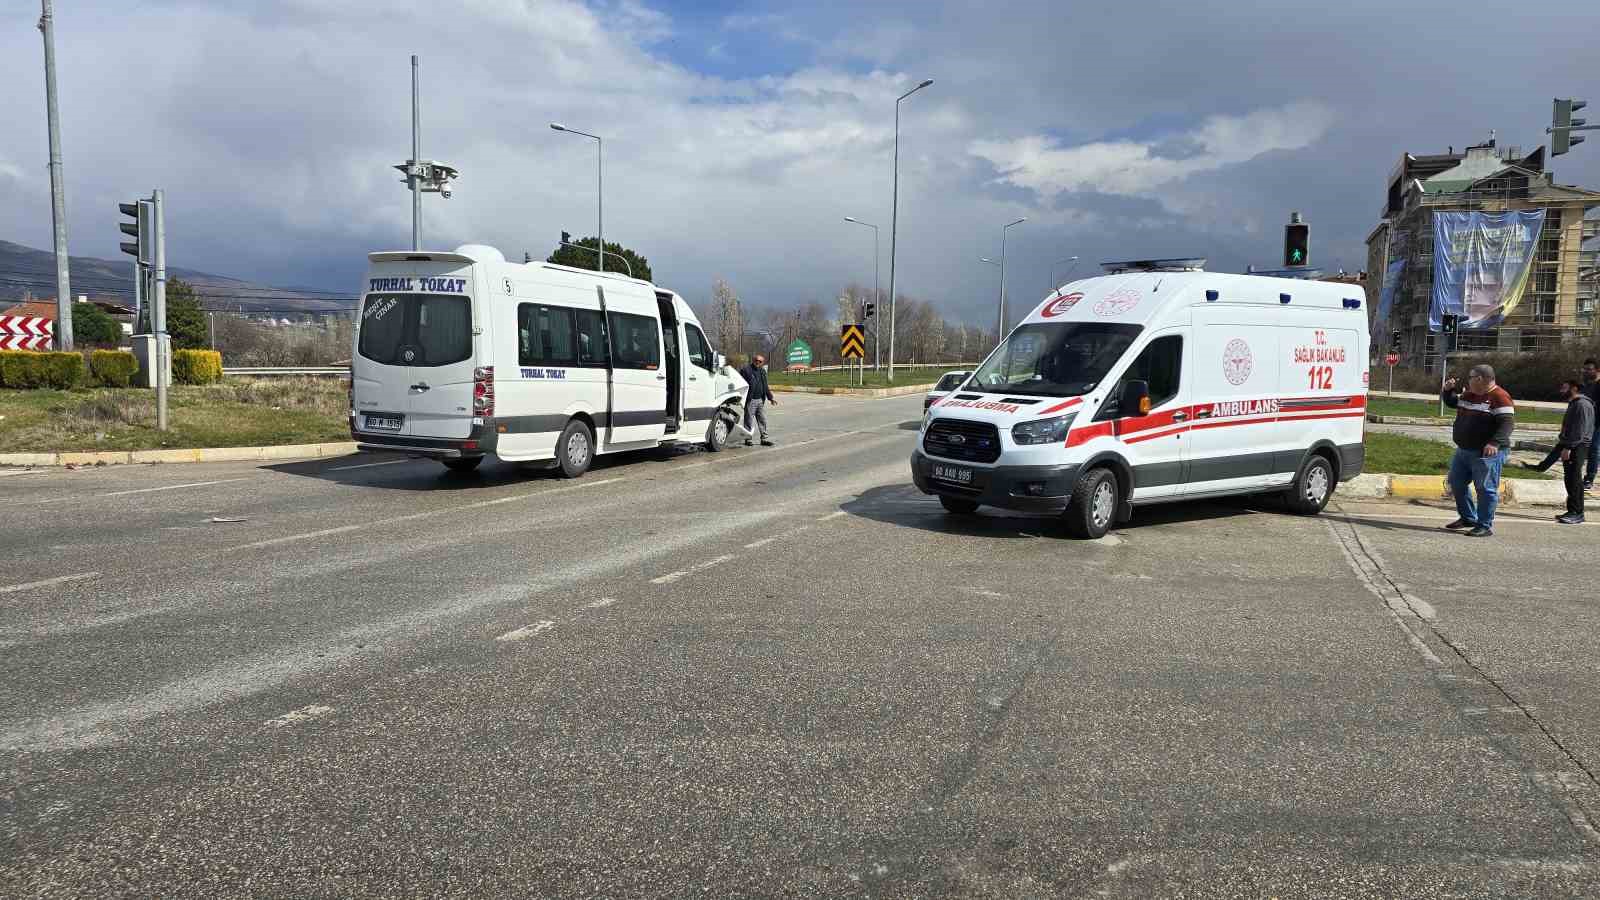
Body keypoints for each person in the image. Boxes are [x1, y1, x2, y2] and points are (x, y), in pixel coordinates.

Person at [1441, 364, 1515, 538]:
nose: (1469, 381)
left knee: (1485, 488)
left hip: (1486, 453)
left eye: (1471, 377)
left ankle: (1484, 525)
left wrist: (1495, 443)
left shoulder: (1500, 397)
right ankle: (1468, 518)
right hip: (1464, 450)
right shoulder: (1470, 395)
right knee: (1456, 483)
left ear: (1480, 379)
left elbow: (1507, 424)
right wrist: (1447, 391)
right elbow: (1453, 402)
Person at [1553, 376, 1595, 524]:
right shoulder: (1575, 403)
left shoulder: (1582, 404)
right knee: (1569, 478)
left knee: (1575, 479)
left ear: (1574, 388)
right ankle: (1571, 510)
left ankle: (1578, 512)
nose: (1561, 391)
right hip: (1572, 444)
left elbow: (1580, 429)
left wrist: (1569, 447)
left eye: (1564, 387)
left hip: (1577, 446)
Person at [739, 354, 777, 446]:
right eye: (756, 360)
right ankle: (748, 439)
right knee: (748, 420)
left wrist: (770, 398)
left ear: (762, 363)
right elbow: (739, 382)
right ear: (753, 360)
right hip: (750, 400)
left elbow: (765, 386)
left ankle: (764, 439)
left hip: (760, 400)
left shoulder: (762, 371)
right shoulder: (746, 370)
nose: (758, 362)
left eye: (760, 361)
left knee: (762, 420)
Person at [1583, 358, 1600, 491]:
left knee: (1594, 449)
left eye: (1589, 369)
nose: (1586, 371)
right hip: (1587, 422)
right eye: (1585, 369)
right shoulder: (1587, 385)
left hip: (1598, 423)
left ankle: (1589, 478)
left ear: (1597, 370)